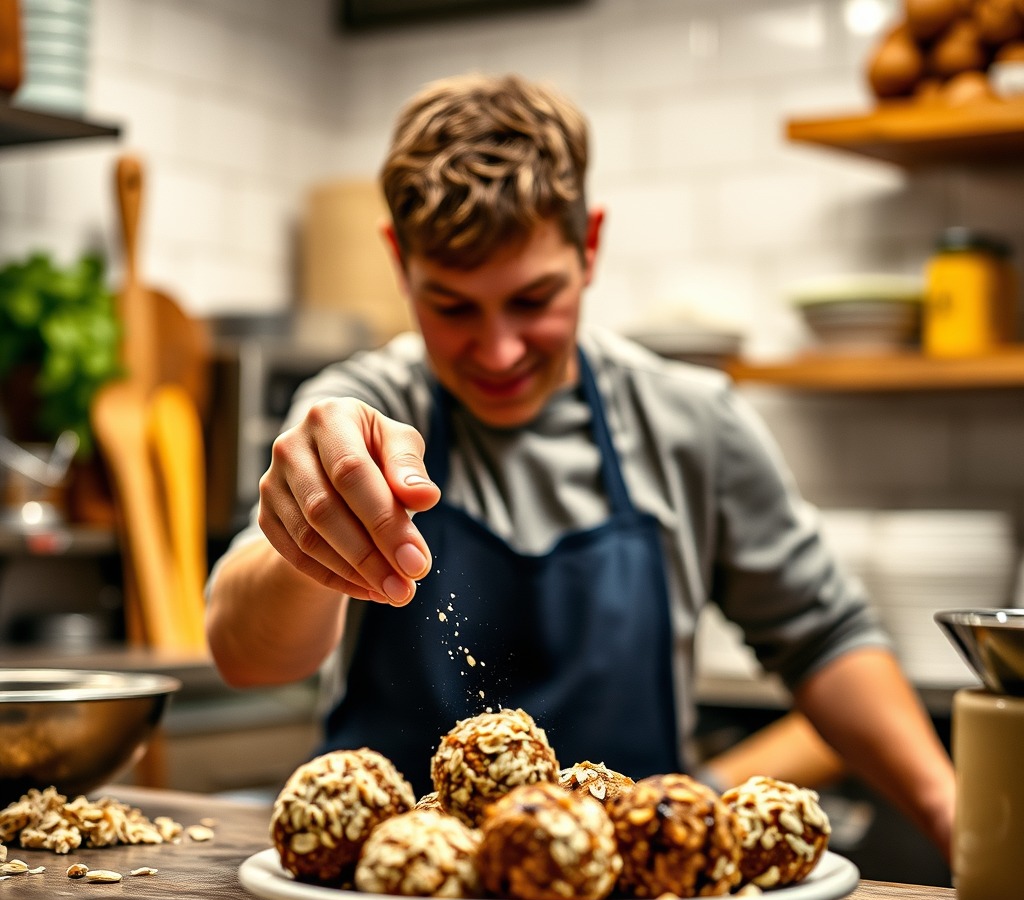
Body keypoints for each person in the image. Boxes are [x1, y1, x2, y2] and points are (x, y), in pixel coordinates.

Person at [206, 72, 954, 859]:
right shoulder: (362, 410)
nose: (497, 352)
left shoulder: (688, 422)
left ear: (590, 246)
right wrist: (312, 541)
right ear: (399, 261)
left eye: (534, 300)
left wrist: (955, 816)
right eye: (453, 306)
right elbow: (242, 652)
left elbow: (824, 637)